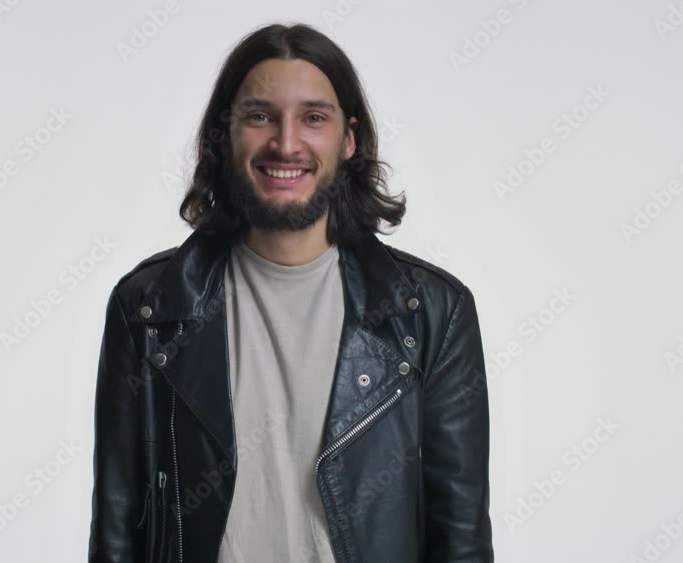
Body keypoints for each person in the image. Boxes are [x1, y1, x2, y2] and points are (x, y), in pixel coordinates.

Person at [88, 22, 494, 563]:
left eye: (313, 118)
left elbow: (461, 539)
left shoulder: (431, 314)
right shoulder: (149, 307)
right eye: (259, 116)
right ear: (225, 134)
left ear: (348, 139)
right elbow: (116, 528)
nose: (285, 143)